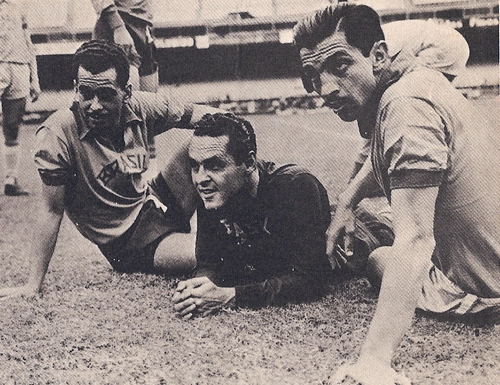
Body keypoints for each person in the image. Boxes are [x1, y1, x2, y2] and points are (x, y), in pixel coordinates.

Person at [294, 3, 500, 385]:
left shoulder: (404, 107)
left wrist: (373, 361)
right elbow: (388, 157)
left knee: (382, 257)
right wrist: (347, 202)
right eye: (313, 76)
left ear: (378, 56)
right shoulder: (418, 82)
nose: (325, 89)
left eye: (340, 66)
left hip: (488, 291)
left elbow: (416, 238)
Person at [0, 40, 219, 300]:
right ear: (75, 89)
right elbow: (51, 210)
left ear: (126, 92)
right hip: (129, 242)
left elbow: (205, 115)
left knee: (211, 134)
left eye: (105, 95)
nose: (94, 105)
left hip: (155, 201)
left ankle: (238, 220)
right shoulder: (57, 134)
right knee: (217, 253)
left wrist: (236, 130)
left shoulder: (140, 105)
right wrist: (31, 285)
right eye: (85, 93)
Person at [172, 113, 333, 319]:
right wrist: (197, 290)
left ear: (248, 163)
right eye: (195, 166)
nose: (200, 178)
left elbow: (312, 279)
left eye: (215, 165)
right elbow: (209, 262)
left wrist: (233, 296)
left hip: (368, 236)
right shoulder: (214, 190)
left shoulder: (295, 186)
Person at [90, 0, 160, 180]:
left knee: (147, 116)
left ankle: (148, 188)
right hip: (119, 27)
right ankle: (113, 188)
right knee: (122, 119)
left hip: (142, 27)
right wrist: (117, 26)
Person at [0, 0, 40, 195]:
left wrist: (35, 79)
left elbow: (27, 40)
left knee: (12, 125)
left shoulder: (20, 5)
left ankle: (11, 179)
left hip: (19, 67)